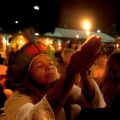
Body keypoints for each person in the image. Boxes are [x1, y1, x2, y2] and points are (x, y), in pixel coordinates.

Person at [3, 33, 106, 120]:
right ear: (27, 75)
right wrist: (71, 71)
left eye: (51, 63)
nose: (49, 67)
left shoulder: (56, 85)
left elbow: (92, 101)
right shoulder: (16, 99)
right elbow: (37, 116)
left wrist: (83, 71)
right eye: (40, 66)